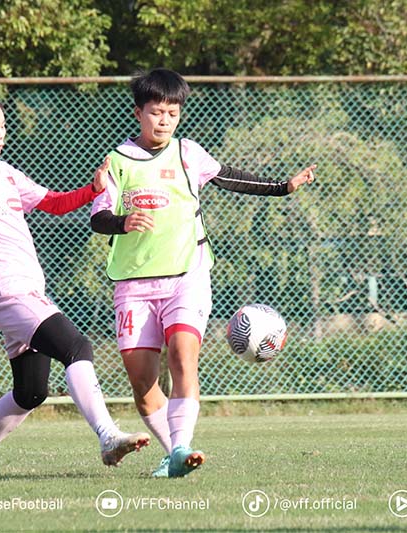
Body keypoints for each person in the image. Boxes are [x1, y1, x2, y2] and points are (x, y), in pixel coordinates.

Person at [0, 92, 150, 479]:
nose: (1, 133)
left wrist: (94, 189)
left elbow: (54, 203)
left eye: (3, 126)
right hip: (7, 289)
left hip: (26, 290)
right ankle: (107, 437)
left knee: (31, 391)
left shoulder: (5, 172)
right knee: (76, 346)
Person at [90, 68, 316, 478]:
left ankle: (180, 448)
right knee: (143, 389)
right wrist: (122, 222)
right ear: (138, 111)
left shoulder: (188, 153)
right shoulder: (117, 161)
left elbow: (233, 178)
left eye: (173, 113)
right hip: (133, 285)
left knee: (181, 358)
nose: (164, 120)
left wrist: (283, 187)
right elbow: (99, 216)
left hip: (186, 277)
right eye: (157, 112)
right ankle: (172, 452)